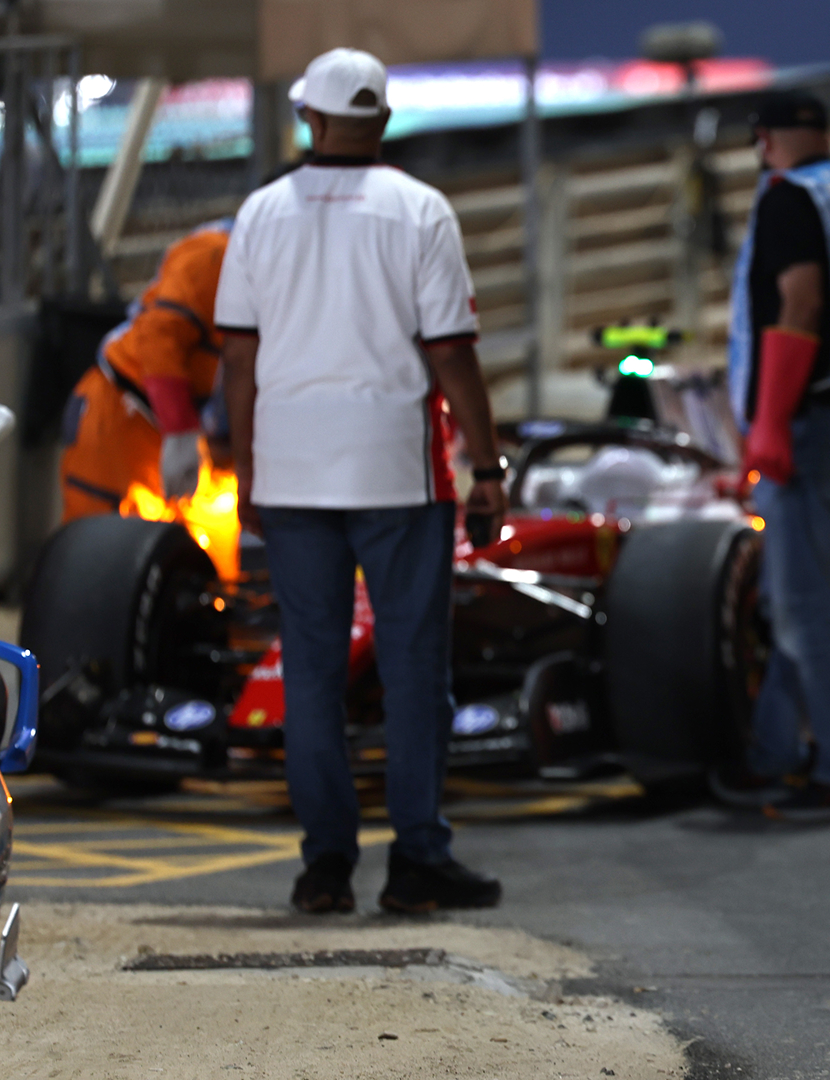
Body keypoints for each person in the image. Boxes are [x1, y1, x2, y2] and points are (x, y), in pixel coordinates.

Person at [214, 48, 505, 914]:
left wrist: (246, 469)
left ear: (308, 117)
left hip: (294, 472)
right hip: (396, 471)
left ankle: (324, 868)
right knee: (415, 670)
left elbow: (238, 354)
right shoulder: (420, 211)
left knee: (310, 672)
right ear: (381, 120)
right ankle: (417, 860)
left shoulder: (260, 214)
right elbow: (451, 351)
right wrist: (486, 466)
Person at [716, 89, 830, 822]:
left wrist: (768, 422)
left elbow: (800, 305)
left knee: (798, 604)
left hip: (806, 422)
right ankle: (773, 757)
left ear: (765, 140)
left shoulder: (790, 199)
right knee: (799, 591)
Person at [59, 220, 229, 521]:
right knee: (101, 551)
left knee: (210, 555)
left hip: (203, 441)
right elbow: (158, 337)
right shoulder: (213, 255)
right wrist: (180, 430)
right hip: (124, 414)